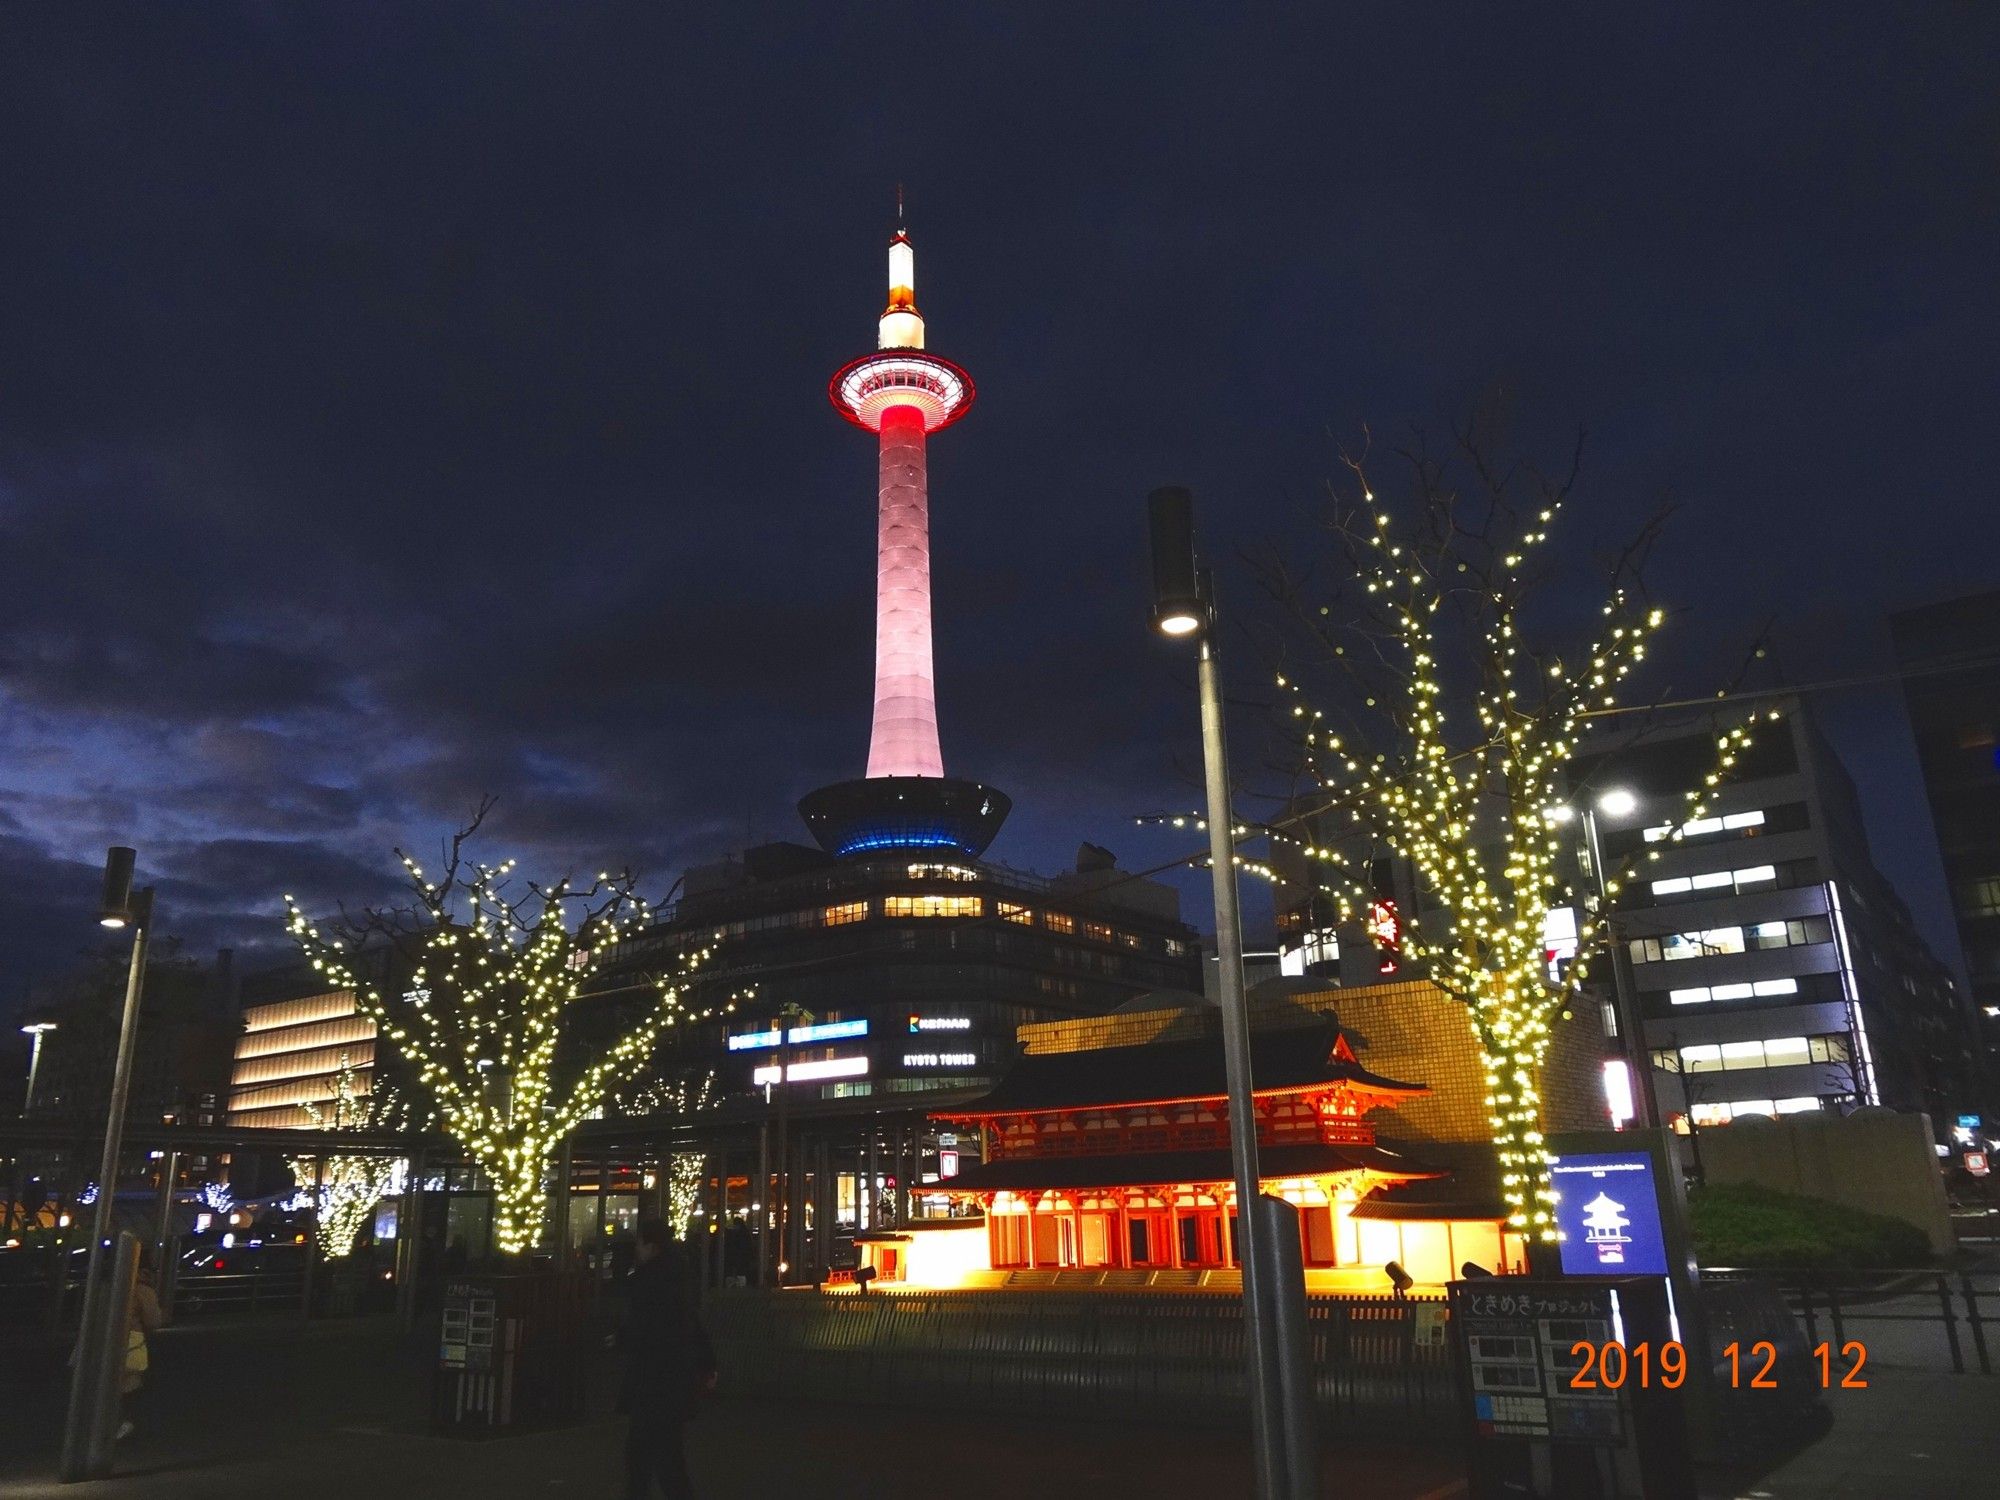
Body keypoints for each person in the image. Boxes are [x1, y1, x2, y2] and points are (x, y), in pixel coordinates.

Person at [617, 1220, 715, 1500]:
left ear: (651, 1246)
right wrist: (707, 1363)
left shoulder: (647, 1282)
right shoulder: (678, 1279)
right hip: (673, 1381)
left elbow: (643, 1329)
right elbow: (691, 1325)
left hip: (652, 1381)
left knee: (647, 1457)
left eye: (640, 1243)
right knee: (666, 1457)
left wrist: (622, 1338)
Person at [118, 1244, 166, 1441]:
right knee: (129, 1385)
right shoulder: (143, 1290)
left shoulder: (112, 1283)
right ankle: (124, 1423)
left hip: (99, 1338)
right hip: (131, 1342)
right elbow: (153, 1321)